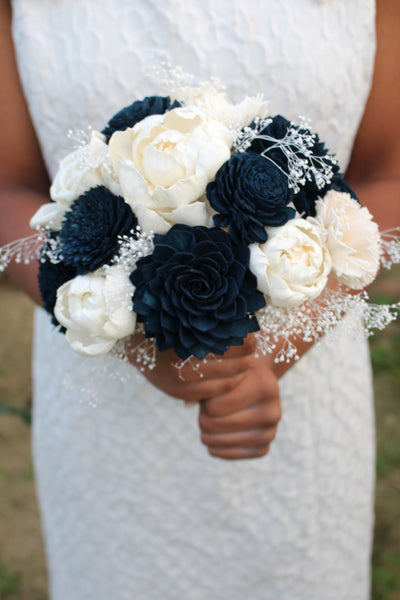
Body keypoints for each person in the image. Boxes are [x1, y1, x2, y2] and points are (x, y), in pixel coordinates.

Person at [0, 0, 399, 598]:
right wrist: (131, 337)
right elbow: (11, 185)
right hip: (105, 423)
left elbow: (387, 173)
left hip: (303, 402)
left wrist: (273, 350)